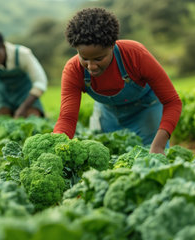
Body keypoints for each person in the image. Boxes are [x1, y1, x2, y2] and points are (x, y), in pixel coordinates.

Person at [53, 8, 182, 154]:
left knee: (150, 162)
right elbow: (68, 118)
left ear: (113, 45)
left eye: (99, 58)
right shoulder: (73, 70)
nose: (91, 66)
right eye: (84, 58)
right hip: (107, 115)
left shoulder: (135, 55)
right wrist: (56, 145)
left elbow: (172, 101)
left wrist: (158, 145)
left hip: (146, 111)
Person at [0, 31, 48, 118]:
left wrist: (23, 107)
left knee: (32, 116)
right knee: (0, 119)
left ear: (3, 47)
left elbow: (41, 82)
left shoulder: (23, 54)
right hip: (3, 94)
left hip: (25, 93)